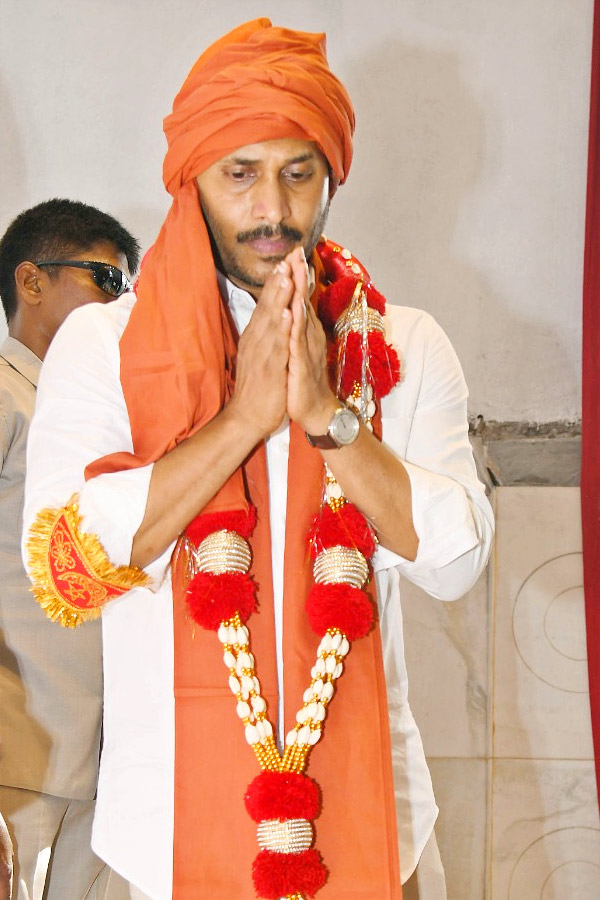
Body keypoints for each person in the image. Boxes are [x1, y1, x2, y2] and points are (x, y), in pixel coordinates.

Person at [22, 20, 494, 900]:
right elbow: (64, 565)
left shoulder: (404, 346)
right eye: (240, 174)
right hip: (162, 844)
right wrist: (239, 422)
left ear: (330, 178)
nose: (272, 209)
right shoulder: (102, 345)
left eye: (298, 173)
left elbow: (458, 561)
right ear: (190, 180)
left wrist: (328, 420)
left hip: (378, 833)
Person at [0, 198, 140, 900]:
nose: (122, 303)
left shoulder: (83, 417)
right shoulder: (4, 392)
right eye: (105, 281)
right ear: (31, 282)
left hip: (95, 767)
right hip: (18, 765)